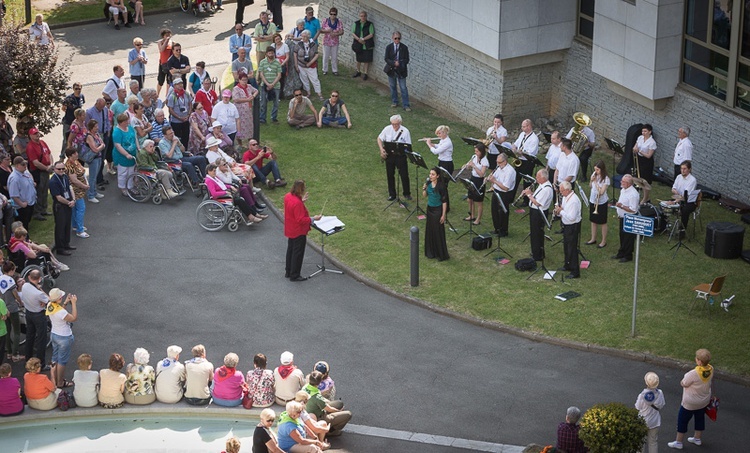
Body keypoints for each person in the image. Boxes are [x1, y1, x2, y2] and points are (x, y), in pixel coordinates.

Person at [668, 348, 714, 450]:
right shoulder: (711, 369)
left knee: (682, 420)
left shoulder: (693, 373)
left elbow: (684, 383)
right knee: (699, 418)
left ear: (699, 361)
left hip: (690, 403)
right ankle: (697, 438)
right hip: (703, 401)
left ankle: (679, 442)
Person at [283, 182, 321, 282]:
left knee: (290, 250)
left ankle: (289, 271)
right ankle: (294, 275)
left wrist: (301, 201)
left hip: (290, 228)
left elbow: (292, 208)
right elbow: (301, 219)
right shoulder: (297, 203)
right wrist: (314, 218)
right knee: (297, 253)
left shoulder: (288, 196)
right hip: (298, 231)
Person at [377, 114, 412, 201]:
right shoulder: (387, 129)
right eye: (393, 124)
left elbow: (408, 146)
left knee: (404, 175)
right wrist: (382, 150)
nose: (394, 126)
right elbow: (379, 138)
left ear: (400, 123)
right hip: (390, 156)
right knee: (390, 175)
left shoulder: (405, 131)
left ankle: (406, 193)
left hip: (401, 156)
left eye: (396, 124)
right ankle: (392, 194)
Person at [305, 371, 351, 436]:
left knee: (339, 403)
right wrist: (339, 411)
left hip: (312, 411)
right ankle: (331, 431)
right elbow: (329, 409)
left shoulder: (306, 387)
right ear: (319, 383)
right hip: (319, 417)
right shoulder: (316, 397)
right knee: (348, 414)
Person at [20, 270, 50, 366]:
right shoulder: (38, 293)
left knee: (30, 336)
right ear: (39, 279)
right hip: (38, 315)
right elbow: (48, 299)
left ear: (29, 277)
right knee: (41, 339)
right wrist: (40, 289)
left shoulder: (25, 286)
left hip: (28, 313)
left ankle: (28, 358)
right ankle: (41, 363)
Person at [524, 169, 553, 262]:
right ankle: (536, 252)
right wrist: (531, 194)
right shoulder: (542, 185)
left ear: (543, 178)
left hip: (539, 213)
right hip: (535, 211)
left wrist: (529, 195)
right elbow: (537, 197)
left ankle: (537, 255)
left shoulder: (547, 189)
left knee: (537, 233)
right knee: (534, 232)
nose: (536, 178)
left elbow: (538, 203)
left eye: (538, 176)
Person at [554, 181, 581, 279]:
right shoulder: (565, 197)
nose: (560, 193)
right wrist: (558, 211)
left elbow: (571, 217)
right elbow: (564, 210)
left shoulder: (573, 201)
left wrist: (561, 211)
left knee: (572, 248)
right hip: (567, 225)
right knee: (566, 246)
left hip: (572, 226)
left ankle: (575, 271)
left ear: (567, 190)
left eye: (562, 191)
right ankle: (567, 265)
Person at [26, 127, 53, 221]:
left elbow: (49, 153)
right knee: (39, 191)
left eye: (37, 133)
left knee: (45, 190)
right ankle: (37, 212)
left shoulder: (42, 142)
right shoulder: (30, 147)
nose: (37, 135)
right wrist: (47, 168)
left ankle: (43, 209)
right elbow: (35, 162)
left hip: (46, 170)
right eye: (34, 134)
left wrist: (51, 164)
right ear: (30, 136)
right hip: (38, 172)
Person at [48, 161, 76, 255]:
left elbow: (70, 188)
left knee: (67, 225)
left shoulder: (64, 177)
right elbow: (58, 197)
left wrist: (73, 200)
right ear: (54, 169)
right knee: (60, 226)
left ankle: (66, 243)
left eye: (63, 169)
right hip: (60, 206)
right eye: (58, 169)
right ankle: (60, 248)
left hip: (68, 203)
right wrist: (69, 202)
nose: (61, 171)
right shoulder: (53, 181)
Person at [422, 167, 449, 261]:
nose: (430, 176)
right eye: (430, 174)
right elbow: (425, 196)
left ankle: (440, 253)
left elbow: (444, 201)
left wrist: (443, 214)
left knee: (437, 231)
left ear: (437, 176)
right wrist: (424, 189)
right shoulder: (429, 183)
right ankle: (431, 251)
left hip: (438, 210)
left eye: (433, 174)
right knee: (430, 229)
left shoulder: (441, 186)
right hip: (429, 209)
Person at [486, 153, 516, 237]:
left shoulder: (510, 171)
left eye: (499, 162)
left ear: (505, 161)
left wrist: (494, 181)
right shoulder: (499, 168)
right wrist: (488, 179)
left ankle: (503, 231)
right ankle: (497, 228)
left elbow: (506, 188)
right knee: (494, 210)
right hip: (496, 191)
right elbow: (494, 177)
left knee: (502, 212)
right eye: (497, 162)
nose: (497, 164)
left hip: (504, 194)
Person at [635, 371, 665, 453]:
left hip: (642, 420)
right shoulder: (660, 393)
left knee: (640, 442)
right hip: (655, 421)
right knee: (653, 442)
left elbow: (638, 407)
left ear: (646, 382)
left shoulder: (642, 395)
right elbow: (661, 405)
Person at [511, 119, 539, 204]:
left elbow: (531, 153)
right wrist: (513, 147)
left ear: (529, 126)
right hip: (519, 160)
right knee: (515, 180)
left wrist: (521, 152)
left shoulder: (534, 139)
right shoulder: (522, 134)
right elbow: (516, 144)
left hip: (528, 162)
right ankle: (511, 197)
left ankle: (526, 201)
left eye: (523, 126)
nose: (522, 128)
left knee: (527, 182)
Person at [613, 174, 640, 263]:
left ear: (629, 183)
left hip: (629, 218)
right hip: (622, 217)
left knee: (628, 237)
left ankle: (628, 255)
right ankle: (622, 252)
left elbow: (633, 209)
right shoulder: (623, 190)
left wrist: (621, 206)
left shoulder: (633, 194)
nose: (621, 182)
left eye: (623, 181)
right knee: (622, 235)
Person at [64, 148, 90, 238]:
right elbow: (74, 180)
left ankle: (75, 225)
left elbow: (81, 170)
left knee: (75, 209)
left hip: (80, 190)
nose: (77, 154)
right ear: (70, 155)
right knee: (81, 208)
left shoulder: (76, 162)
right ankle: (80, 230)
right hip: (75, 191)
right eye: (75, 153)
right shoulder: (70, 166)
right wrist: (84, 186)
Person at [1, 260, 23, 363]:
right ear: (11, 270)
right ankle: (15, 354)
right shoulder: (10, 280)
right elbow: (16, 294)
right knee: (16, 331)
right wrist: (21, 302)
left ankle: (9, 352)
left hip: (4, 308)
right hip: (13, 308)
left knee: (8, 330)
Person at [7, 157, 36, 230]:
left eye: (25, 164)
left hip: (30, 203)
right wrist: (22, 204)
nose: (25, 166)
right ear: (17, 166)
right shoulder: (14, 178)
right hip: (22, 207)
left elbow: (30, 179)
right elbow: (13, 195)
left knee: (27, 222)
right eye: (23, 164)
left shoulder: (25, 172)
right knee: (22, 227)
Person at [586, 160, 609, 248]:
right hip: (593, 200)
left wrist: (595, 182)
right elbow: (590, 186)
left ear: (602, 170)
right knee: (593, 220)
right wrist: (591, 181)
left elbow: (601, 192)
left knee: (603, 221)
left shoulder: (606, 179)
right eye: (595, 169)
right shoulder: (594, 174)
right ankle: (593, 238)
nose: (596, 171)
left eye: (597, 170)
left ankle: (603, 241)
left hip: (601, 202)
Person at [384, 31, 411, 111]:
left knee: (403, 88)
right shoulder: (389, 47)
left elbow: (407, 59)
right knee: (392, 86)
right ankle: (395, 101)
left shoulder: (404, 48)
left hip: (401, 71)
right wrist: (393, 63)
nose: (397, 40)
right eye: (395, 38)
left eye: (398, 38)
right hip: (391, 70)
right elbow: (386, 58)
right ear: (392, 38)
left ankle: (406, 105)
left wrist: (399, 63)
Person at [671, 161, 698, 235]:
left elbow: (687, 195)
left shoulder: (692, 180)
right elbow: (673, 188)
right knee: (665, 204)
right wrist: (675, 192)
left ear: (689, 169)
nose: (682, 170)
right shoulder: (678, 177)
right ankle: (665, 225)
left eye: (684, 169)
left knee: (685, 210)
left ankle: (682, 230)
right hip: (679, 198)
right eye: (681, 168)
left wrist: (676, 200)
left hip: (689, 201)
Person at [82, 120, 106, 203]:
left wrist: (101, 146)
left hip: (98, 157)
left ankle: (94, 192)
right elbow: (95, 149)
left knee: (95, 176)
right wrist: (101, 147)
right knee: (92, 177)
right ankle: (90, 195)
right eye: (95, 126)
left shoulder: (96, 134)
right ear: (91, 128)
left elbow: (102, 143)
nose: (97, 128)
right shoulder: (89, 136)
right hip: (93, 158)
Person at [232, 73, 259, 148]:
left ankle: (250, 143)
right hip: (240, 112)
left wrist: (253, 96)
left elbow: (256, 90)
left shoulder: (249, 87)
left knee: (249, 127)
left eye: (246, 80)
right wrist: (246, 99)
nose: (244, 82)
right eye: (243, 80)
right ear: (239, 80)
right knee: (240, 127)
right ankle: (240, 144)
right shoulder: (236, 89)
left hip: (248, 111)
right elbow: (235, 99)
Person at [295, 30, 323, 101]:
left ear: (308, 37)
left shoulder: (313, 44)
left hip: (311, 65)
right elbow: (295, 54)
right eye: (302, 36)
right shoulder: (299, 44)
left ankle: (319, 94)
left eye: (305, 36)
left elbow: (316, 54)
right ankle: (308, 92)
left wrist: (310, 63)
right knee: (304, 79)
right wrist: (296, 64)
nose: (303, 38)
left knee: (314, 79)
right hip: (301, 65)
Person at [258, 48, 283, 124]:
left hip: (276, 86)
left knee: (276, 103)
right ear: (266, 54)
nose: (271, 55)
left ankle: (274, 118)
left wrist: (272, 84)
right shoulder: (262, 62)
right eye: (269, 53)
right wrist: (267, 84)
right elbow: (261, 74)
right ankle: (262, 118)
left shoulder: (277, 63)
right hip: (264, 86)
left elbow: (279, 75)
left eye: (272, 53)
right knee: (263, 103)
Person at [167, 78, 193, 148]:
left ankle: (186, 151)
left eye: (181, 83)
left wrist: (188, 115)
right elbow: (170, 109)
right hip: (176, 122)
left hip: (186, 120)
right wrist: (179, 118)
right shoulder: (172, 96)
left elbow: (190, 104)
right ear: (174, 86)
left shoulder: (186, 94)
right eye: (178, 84)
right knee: (178, 139)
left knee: (186, 138)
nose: (180, 85)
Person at [633, 124, 656, 204]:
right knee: (637, 178)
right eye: (642, 131)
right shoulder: (640, 138)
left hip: (647, 162)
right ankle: (636, 195)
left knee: (645, 181)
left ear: (650, 132)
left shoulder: (652, 142)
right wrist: (635, 148)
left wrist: (639, 151)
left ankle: (646, 198)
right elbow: (636, 145)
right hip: (639, 159)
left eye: (645, 131)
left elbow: (649, 155)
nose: (643, 133)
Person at [61, 83, 85, 155]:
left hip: (77, 123)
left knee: (78, 139)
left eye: (79, 89)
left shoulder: (81, 97)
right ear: (73, 89)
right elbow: (63, 108)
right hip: (68, 122)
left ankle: (75, 154)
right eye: (76, 89)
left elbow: (82, 106)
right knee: (66, 140)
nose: (78, 90)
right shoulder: (69, 98)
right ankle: (62, 156)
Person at [351, 11, 375, 80]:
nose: (363, 17)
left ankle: (365, 73)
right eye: (361, 16)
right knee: (358, 59)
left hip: (366, 45)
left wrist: (364, 39)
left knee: (366, 60)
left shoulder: (370, 24)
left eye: (364, 16)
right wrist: (359, 39)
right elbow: (353, 33)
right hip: (358, 44)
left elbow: (371, 34)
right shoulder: (356, 24)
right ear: (359, 17)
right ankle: (358, 71)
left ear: (366, 17)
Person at [320, 7, 344, 75]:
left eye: (334, 14)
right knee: (325, 56)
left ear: (336, 14)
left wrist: (336, 34)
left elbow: (342, 31)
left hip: (335, 42)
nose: (333, 16)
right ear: (329, 14)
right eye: (331, 14)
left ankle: (335, 70)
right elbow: (321, 30)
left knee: (334, 57)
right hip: (326, 41)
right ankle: (325, 70)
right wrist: (327, 31)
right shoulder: (325, 21)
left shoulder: (339, 22)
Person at [156, 29, 174, 99]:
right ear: (163, 36)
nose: (168, 37)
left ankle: (167, 95)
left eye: (169, 35)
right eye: (166, 35)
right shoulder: (160, 42)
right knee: (160, 81)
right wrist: (166, 41)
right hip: (162, 64)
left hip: (170, 64)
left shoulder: (172, 43)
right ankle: (157, 94)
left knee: (169, 81)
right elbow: (162, 50)